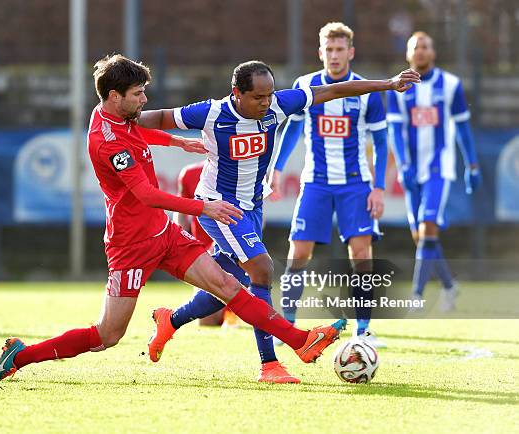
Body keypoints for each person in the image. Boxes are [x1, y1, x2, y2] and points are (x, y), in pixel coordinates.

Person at [0, 54, 354, 381]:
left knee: (228, 285)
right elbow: (146, 195)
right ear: (115, 96)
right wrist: (203, 207)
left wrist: (178, 141)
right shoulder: (107, 140)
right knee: (108, 335)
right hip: (131, 245)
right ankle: (22, 356)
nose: (144, 101)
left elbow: (140, 129)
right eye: (138, 94)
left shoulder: (115, 115)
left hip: (164, 234)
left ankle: (302, 342)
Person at [138, 59, 420, 382]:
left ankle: (169, 321)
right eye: (258, 97)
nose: (266, 102)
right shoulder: (211, 113)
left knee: (232, 281)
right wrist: (117, 118)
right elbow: (161, 117)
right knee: (262, 269)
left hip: (253, 206)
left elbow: (336, 89)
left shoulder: (279, 104)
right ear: (237, 94)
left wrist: (388, 83)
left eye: (270, 94)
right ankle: (270, 364)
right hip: (218, 207)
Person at [271, 22, 388, 348]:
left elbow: (381, 141)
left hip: (356, 185)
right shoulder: (306, 85)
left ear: (350, 52)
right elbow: (292, 130)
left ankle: (363, 329)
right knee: (299, 253)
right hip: (316, 184)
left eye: (340, 50)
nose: (334, 56)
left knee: (362, 254)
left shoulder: (366, 90)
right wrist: (277, 168)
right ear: (320, 52)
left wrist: (378, 187)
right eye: (329, 50)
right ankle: (288, 326)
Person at [386, 32, 481, 311]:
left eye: (426, 46)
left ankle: (416, 295)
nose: (421, 51)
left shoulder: (450, 85)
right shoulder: (399, 87)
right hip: (411, 169)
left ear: (433, 53)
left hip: (440, 167)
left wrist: (472, 164)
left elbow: (462, 127)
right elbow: (395, 129)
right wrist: (403, 165)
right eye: (416, 47)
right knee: (422, 237)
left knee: (428, 227)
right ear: (408, 54)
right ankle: (450, 286)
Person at [175, 160, 244, 327]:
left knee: (250, 306)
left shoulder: (241, 171)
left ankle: (236, 308)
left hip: (234, 251)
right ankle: (229, 311)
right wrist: (181, 240)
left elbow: (256, 214)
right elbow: (181, 212)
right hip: (203, 253)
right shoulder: (190, 173)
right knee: (207, 322)